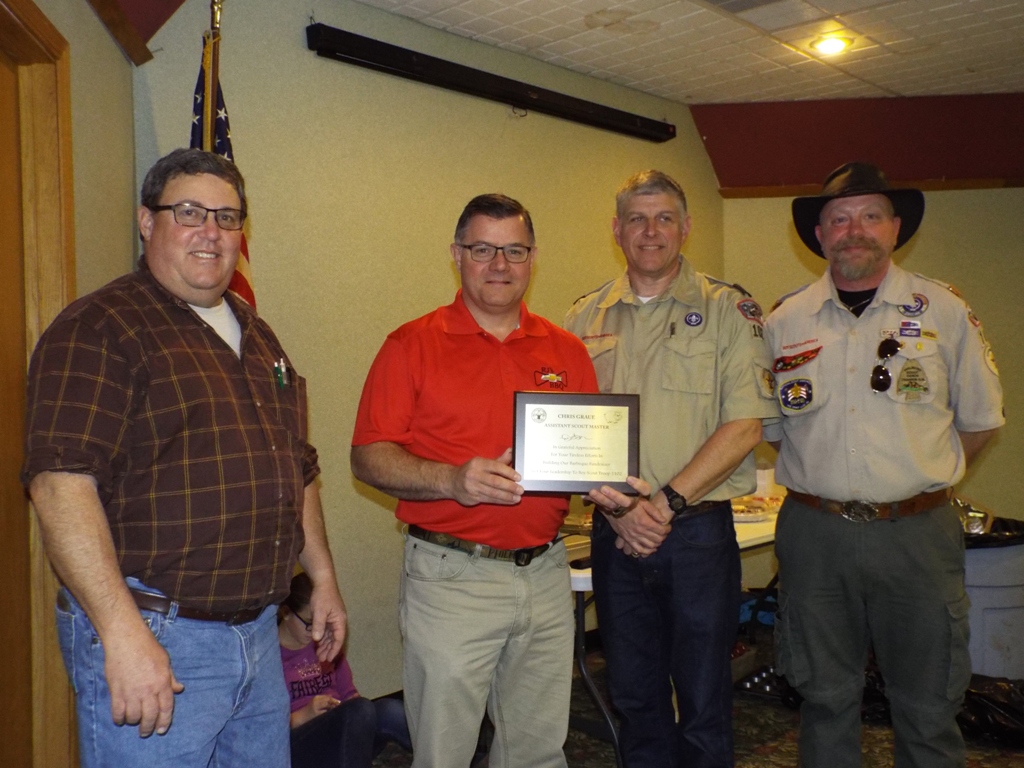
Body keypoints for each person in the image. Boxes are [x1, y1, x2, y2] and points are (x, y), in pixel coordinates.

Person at [22, 148, 347, 768]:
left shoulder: (258, 335)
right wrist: (122, 634)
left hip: (258, 635)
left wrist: (323, 578)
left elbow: (295, 466)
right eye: (190, 212)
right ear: (147, 221)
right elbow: (60, 487)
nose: (211, 232)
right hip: (159, 636)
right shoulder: (100, 328)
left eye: (228, 217)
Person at [764, 162, 1004, 768]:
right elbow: (772, 428)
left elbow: (981, 421)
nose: (855, 230)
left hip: (916, 535)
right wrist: (830, 478)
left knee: (929, 704)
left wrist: (916, 476)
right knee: (823, 699)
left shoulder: (943, 310)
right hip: (815, 535)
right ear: (819, 234)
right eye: (839, 219)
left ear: (896, 228)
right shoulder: (783, 320)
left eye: (870, 216)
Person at [350, 194, 600, 768]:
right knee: (444, 753)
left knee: (538, 751)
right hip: (452, 577)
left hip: (546, 572)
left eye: (514, 251)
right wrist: (451, 480)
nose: (499, 265)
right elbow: (368, 457)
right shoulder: (411, 344)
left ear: (532, 258)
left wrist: (607, 485)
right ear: (457, 254)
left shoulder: (566, 350)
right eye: (483, 249)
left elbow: (585, 452)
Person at [564, 170, 779, 768]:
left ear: (687, 228)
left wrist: (660, 507)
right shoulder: (582, 317)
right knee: (634, 695)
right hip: (614, 532)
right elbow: (566, 431)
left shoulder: (729, 309)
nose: (650, 231)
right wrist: (620, 511)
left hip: (695, 535)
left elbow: (746, 425)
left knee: (704, 698)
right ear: (616, 230)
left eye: (664, 218)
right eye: (637, 218)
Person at [280, 571, 411, 767]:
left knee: (386, 710)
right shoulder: (269, 656)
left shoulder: (325, 642)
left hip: (343, 732)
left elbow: (349, 694)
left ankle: (448, 754)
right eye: (309, 623)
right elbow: (262, 729)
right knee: (360, 712)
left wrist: (348, 705)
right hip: (300, 742)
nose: (317, 631)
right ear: (286, 613)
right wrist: (304, 715)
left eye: (323, 622)